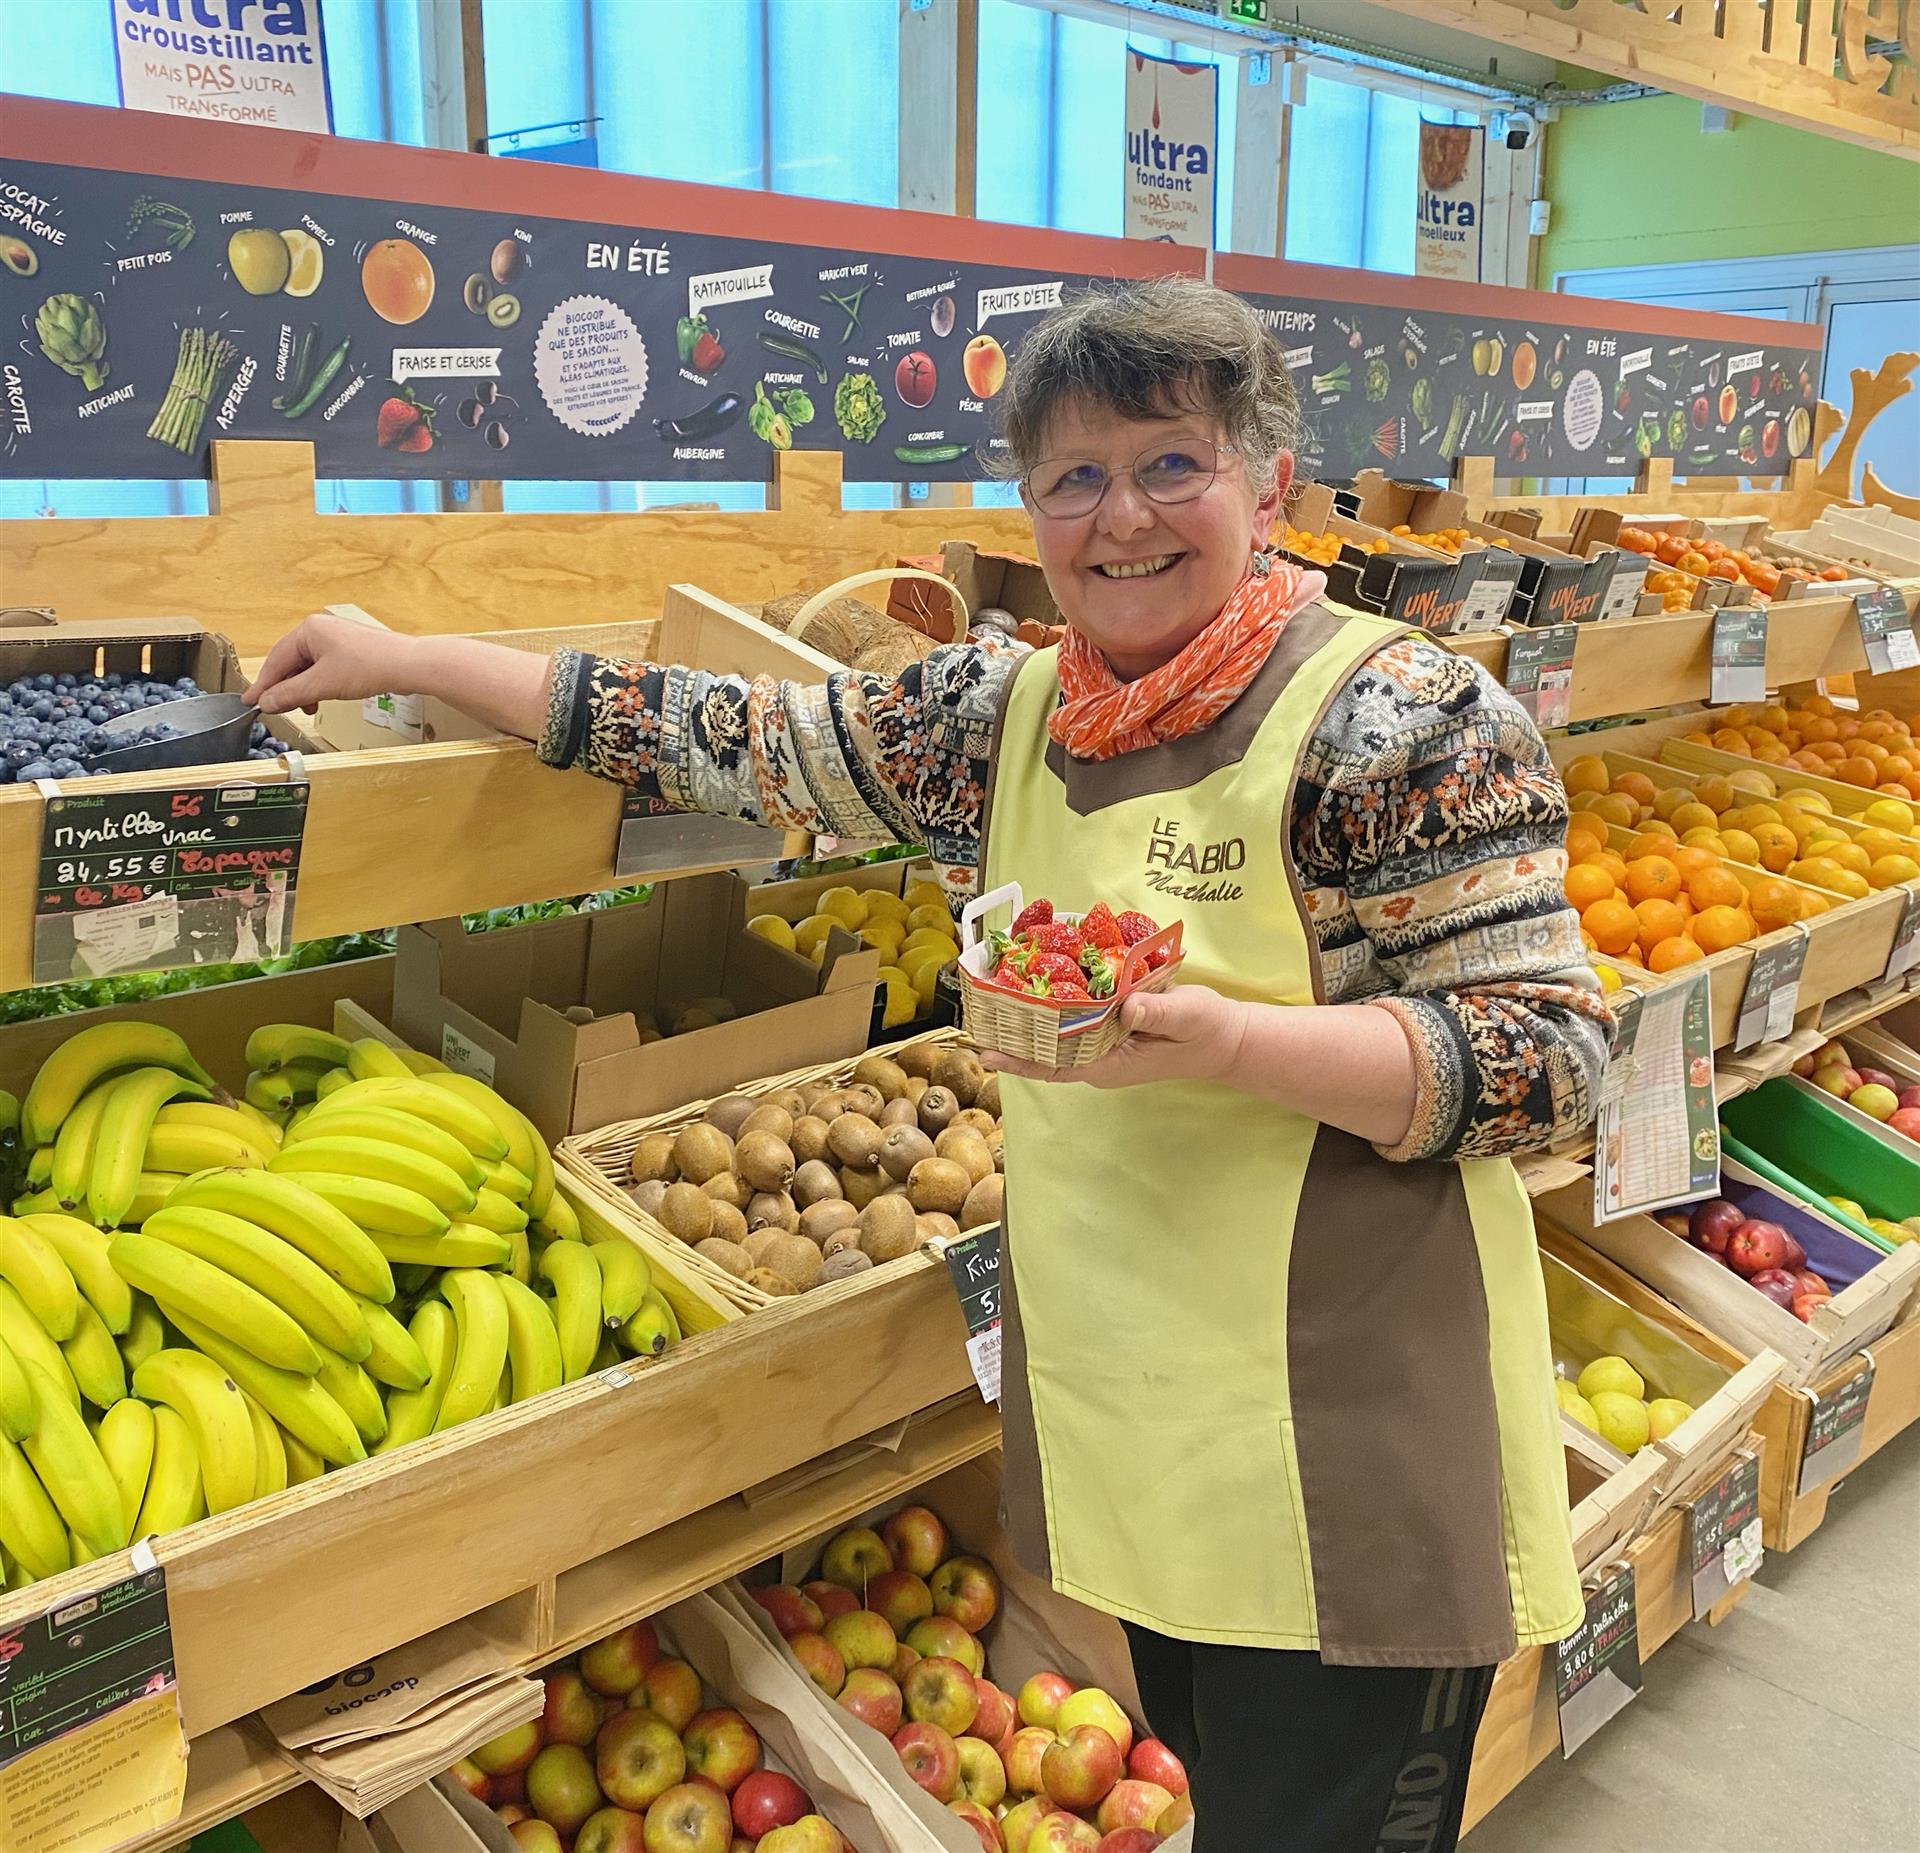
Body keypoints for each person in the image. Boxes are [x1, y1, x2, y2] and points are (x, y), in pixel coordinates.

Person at [248, 277, 1611, 1852]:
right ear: (1030, 504)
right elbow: (727, 733)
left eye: (1172, 463)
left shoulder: (1400, 716)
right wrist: (401, 649)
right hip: (1149, 1433)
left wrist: (1231, 1040)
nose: (1124, 518)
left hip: (1355, 1447)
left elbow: (1554, 1055)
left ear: (1267, 484)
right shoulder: (1008, 712)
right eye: (1073, 478)